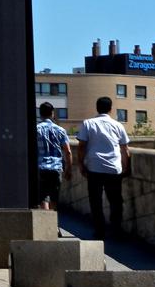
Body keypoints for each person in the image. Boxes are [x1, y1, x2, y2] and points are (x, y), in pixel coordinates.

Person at [77, 97, 130, 240]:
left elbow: (81, 146)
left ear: (97, 108)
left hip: (94, 168)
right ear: (111, 109)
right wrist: (126, 167)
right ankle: (116, 230)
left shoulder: (88, 123)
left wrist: (81, 164)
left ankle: (99, 231)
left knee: (96, 201)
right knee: (116, 201)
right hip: (114, 168)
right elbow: (124, 149)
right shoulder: (118, 125)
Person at [35, 102, 72, 215]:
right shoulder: (60, 130)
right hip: (56, 167)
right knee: (54, 197)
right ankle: (54, 223)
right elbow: (68, 151)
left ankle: (46, 221)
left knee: (42, 197)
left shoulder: (36, 129)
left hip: (41, 167)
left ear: (40, 114)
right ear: (52, 113)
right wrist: (68, 169)